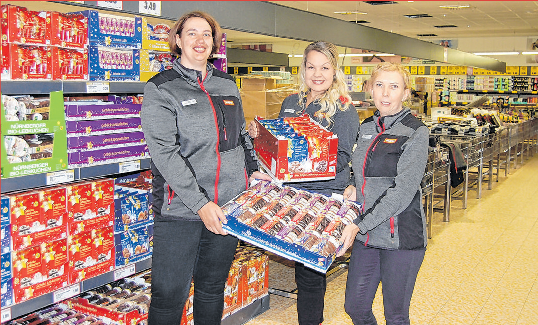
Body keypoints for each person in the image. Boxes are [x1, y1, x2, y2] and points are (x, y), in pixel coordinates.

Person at [140, 11, 270, 325]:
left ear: (215, 42)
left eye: (207, 35)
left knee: (212, 287)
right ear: (178, 40)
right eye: (192, 34)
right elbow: (165, 154)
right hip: (180, 210)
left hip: (227, 206)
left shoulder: (226, 84)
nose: (200, 41)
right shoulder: (161, 88)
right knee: (169, 295)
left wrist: (254, 169)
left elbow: (239, 136)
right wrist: (201, 204)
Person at [248, 41, 360, 325]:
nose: (317, 74)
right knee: (300, 263)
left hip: (322, 196)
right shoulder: (291, 103)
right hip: (291, 193)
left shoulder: (344, 109)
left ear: (335, 71)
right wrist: (260, 137)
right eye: (311, 67)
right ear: (303, 69)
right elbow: (280, 145)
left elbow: (342, 155)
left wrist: (303, 158)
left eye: (325, 67)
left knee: (310, 271)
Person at [338, 62, 429, 325]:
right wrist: (356, 186)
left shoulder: (415, 131)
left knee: (396, 315)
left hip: (401, 238)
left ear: (405, 93)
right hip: (368, 236)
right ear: (369, 88)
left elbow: (402, 190)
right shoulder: (366, 127)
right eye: (379, 85)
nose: (385, 93)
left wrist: (358, 224)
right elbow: (365, 173)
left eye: (393, 86)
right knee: (355, 306)